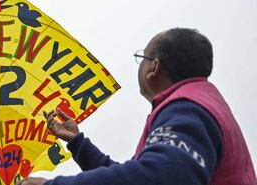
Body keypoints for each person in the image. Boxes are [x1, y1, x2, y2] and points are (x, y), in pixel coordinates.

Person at [17, 28, 257, 185]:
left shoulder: (187, 109)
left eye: (142, 58)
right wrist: (78, 142)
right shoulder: (200, 103)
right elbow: (141, 174)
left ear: (154, 67)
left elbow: (159, 178)